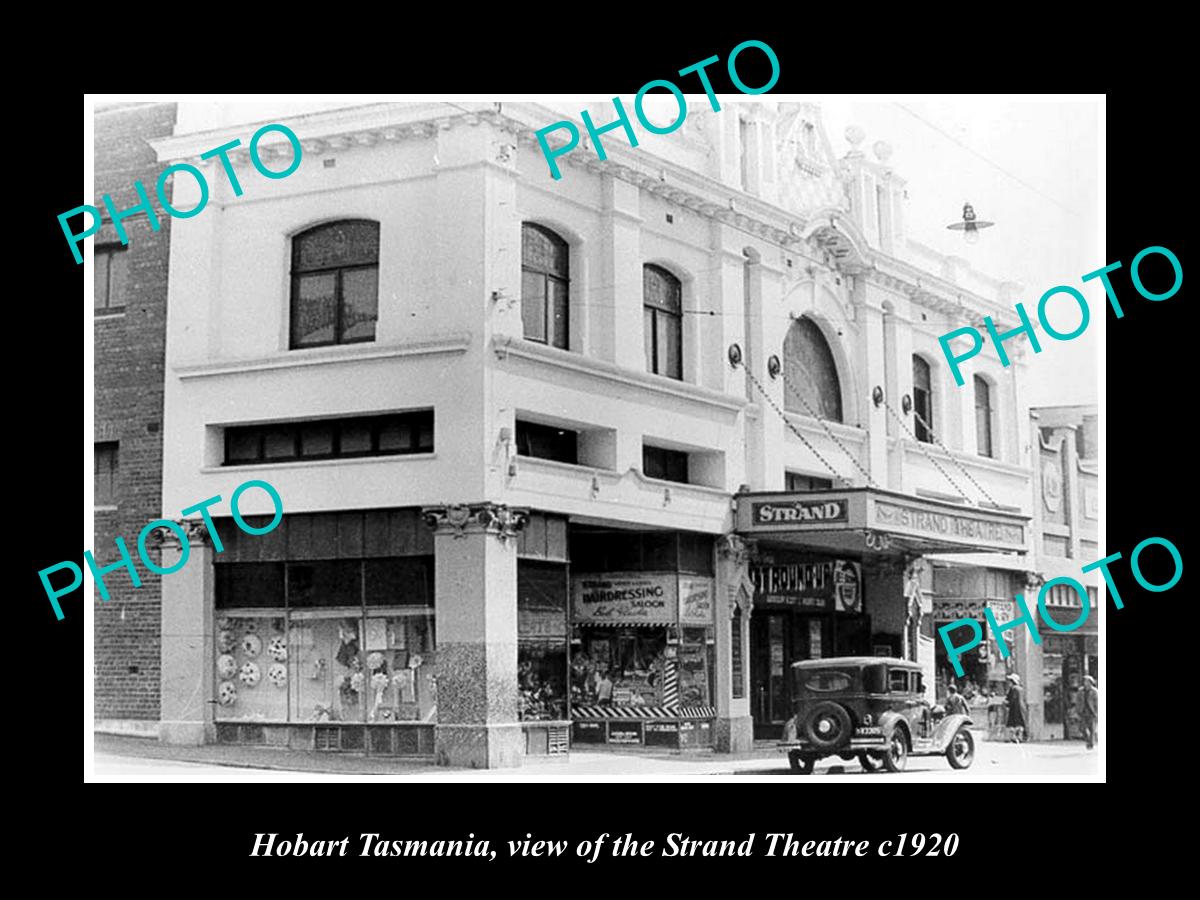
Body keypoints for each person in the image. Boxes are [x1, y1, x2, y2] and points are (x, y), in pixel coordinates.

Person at [1005, 673, 1028, 743]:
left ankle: (1013, 737)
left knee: (1013, 723)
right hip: (1022, 709)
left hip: (1014, 709)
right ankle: (1020, 737)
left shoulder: (1013, 689)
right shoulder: (1021, 689)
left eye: (1010, 681)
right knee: (1020, 723)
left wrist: (1006, 704)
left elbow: (1011, 699)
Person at [1081, 675, 1099, 749]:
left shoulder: (1094, 691)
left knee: (1092, 728)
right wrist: (1078, 710)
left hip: (1091, 712)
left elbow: (1097, 702)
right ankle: (1088, 739)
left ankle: (1090, 744)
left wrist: (1096, 712)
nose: (1086, 683)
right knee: (1082, 728)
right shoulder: (1081, 691)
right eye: (1085, 681)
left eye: (1087, 681)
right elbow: (1078, 701)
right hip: (1083, 711)